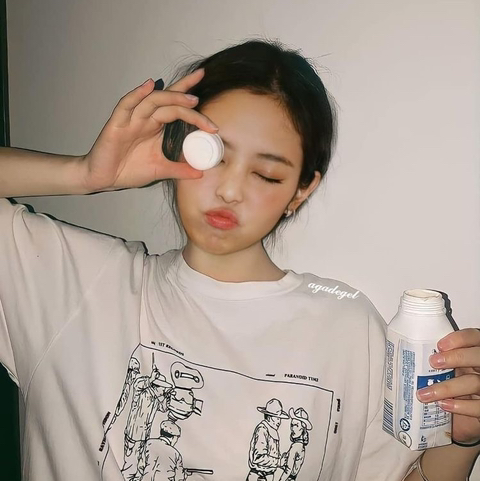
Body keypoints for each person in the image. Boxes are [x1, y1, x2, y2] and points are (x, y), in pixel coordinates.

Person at [0, 39, 479, 481]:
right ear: (178, 145)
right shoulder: (70, 283)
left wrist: (464, 438)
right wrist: (85, 173)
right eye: (212, 156)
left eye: (266, 175)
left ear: (301, 190)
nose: (230, 190)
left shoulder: (348, 329)